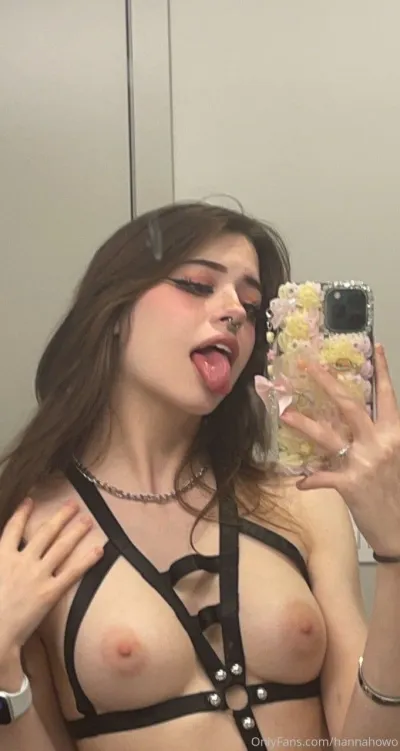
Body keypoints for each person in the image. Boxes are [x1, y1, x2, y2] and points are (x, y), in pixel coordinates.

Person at [0, 202, 399, 751]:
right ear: (113, 310)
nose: (235, 311)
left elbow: (372, 746)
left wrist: (394, 549)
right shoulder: (32, 531)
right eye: (196, 284)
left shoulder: (301, 500)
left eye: (252, 305)